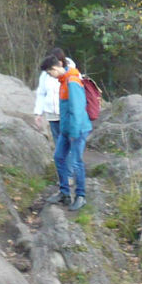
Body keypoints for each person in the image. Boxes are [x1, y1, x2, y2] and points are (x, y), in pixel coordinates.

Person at [41, 54, 91, 210]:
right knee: (59, 157)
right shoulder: (64, 80)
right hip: (67, 129)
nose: (50, 76)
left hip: (77, 129)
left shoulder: (72, 81)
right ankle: (64, 193)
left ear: (55, 68)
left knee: (76, 162)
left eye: (50, 73)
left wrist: (74, 133)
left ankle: (80, 196)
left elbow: (77, 109)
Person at [33, 47, 71, 141]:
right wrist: (38, 113)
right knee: (58, 141)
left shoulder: (71, 74)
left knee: (67, 140)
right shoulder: (45, 75)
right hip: (52, 114)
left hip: (66, 113)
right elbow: (41, 93)